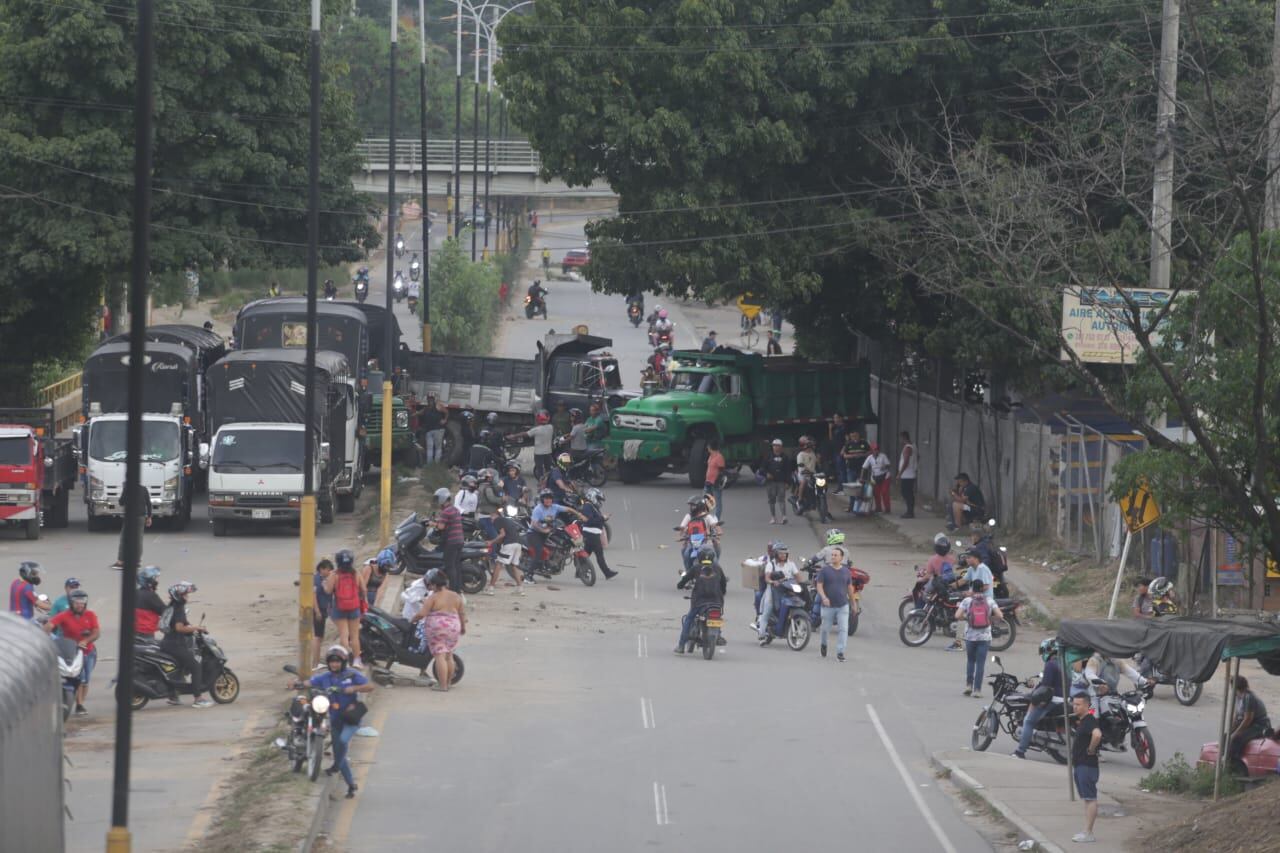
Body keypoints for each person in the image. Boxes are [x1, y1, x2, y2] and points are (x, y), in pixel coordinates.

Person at [300, 645, 373, 799]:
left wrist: (353, 689)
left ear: (344, 662)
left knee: (342, 741)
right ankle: (351, 785)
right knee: (340, 753)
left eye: (338, 661)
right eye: (332, 661)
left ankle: (334, 768)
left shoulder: (351, 675)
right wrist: (296, 683)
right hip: (335, 720)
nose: (334, 664)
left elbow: (369, 686)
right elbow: (310, 682)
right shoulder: (324, 677)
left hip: (350, 719)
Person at [44, 590, 100, 714]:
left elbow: (96, 632)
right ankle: (74, 703)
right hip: (71, 651)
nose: (80, 605)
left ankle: (80, 704)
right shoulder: (64, 615)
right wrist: (46, 636)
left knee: (85, 680)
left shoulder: (90, 615)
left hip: (87, 651)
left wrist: (86, 640)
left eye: (83, 602)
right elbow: (49, 625)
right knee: (73, 676)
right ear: (71, 603)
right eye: (77, 602)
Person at [160, 582, 215, 707]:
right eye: (185, 594)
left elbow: (183, 624)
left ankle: (174, 695)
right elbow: (179, 628)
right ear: (178, 596)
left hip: (167, 643)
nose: (187, 596)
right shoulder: (179, 608)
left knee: (180, 668)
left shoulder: (172, 606)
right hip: (175, 645)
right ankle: (198, 699)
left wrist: (195, 628)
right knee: (195, 666)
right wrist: (197, 628)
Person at [411, 570, 467, 691]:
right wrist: (463, 627)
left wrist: (413, 620)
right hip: (453, 627)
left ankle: (442, 686)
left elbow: (422, 613)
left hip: (437, 628)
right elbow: (462, 613)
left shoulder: (433, 597)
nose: (430, 587)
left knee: (439, 656)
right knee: (449, 655)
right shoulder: (456, 596)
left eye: (430, 585)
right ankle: (448, 683)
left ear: (435, 585)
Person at [1015, 639, 1065, 759]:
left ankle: (1020, 751)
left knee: (1028, 721)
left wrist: (1035, 699)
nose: (1042, 655)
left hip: (1053, 699)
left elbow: (1046, 686)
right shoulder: (1065, 664)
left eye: (1043, 651)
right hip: (1065, 699)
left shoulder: (1051, 664)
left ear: (1049, 650)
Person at [674, 545, 726, 654]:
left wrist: (680, 585)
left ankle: (681, 645)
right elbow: (724, 583)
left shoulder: (696, 568)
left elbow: (685, 579)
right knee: (718, 616)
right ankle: (719, 635)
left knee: (689, 619)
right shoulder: (718, 568)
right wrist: (722, 592)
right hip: (716, 600)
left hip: (699, 601)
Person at [957, 579, 1003, 697]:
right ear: (983, 588)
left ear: (972, 588)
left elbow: (957, 615)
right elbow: (1000, 615)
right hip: (985, 637)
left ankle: (968, 685)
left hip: (970, 637)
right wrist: (989, 620)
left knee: (971, 661)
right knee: (980, 663)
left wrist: (967, 618)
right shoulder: (989, 600)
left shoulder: (967, 601)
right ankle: (977, 690)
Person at [528, 489, 587, 577]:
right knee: (539, 552)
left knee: (566, 541)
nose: (548, 500)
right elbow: (534, 524)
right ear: (542, 499)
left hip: (549, 530)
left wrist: (579, 515)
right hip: (535, 533)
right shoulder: (538, 509)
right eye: (546, 498)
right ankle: (528, 575)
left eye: (550, 498)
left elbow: (568, 509)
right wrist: (543, 530)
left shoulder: (554, 507)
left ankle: (553, 564)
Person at [323, 550, 366, 668]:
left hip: (339, 607)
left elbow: (328, 591)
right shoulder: (356, 573)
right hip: (354, 607)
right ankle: (357, 661)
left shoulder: (334, 575)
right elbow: (363, 589)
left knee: (343, 634)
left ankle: (345, 661)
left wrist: (324, 585)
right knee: (355, 636)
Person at [1069, 691, 1103, 844]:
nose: (1075, 707)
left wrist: (1090, 749)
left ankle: (1089, 833)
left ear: (1087, 705)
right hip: (1081, 765)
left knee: (1090, 799)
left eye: (1078, 704)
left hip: (1087, 765)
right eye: (1074, 704)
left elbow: (1097, 735)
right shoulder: (1082, 721)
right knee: (1087, 799)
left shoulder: (1089, 720)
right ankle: (1086, 831)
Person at [815, 546, 855, 661]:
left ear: (841, 558)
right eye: (832, 555)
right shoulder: (825, 570)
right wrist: (823, 597)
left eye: (835, 555)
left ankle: (840, 652)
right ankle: (823, 644)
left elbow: (849, 588)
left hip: (843, 605)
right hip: (828, 606)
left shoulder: (846, 571)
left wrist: (853, 603)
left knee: (843, 629)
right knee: (824, 629)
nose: (833, 557)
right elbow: (819, 585)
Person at [754, 542, 798, 643]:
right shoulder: (771, 564)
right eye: (780, 553)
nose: (783, 555)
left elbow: (798, 576)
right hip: (773, 590)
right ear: (776, 554)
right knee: (767, 609)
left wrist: (802, 582)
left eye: (785, 553)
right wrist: (772, 582)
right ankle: (762, 634)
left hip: (787, 589)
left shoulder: (791, 564)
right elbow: (767, 578)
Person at [1228, 675, 1271, 774]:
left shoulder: (1249, 697)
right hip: (1249, 724)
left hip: (1259, 726)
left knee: (1236, 739)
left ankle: (1235, 767)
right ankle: (1227, 760)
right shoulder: (1238, 698)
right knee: (1227, 737)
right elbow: (1237, 717)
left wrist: (1235, 733)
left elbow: (1247, 719)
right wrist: (1230, 730)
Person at [482, 505, 526, 594]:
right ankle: (520, 588)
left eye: (491, 516)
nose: (491, 519)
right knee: (513, 566)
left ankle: (491, 588)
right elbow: (504, 536)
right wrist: (496, 542)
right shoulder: (507, 520)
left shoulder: (497, 520)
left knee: (498, 565)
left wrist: (491, 542)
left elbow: (502, 534)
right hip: (518, 544)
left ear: (494, 514)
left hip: (510, 544)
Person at [112, 482, 152, 569]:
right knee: (138, 539)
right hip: (141, 516)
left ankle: (121, 561)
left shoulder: (127, 489)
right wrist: (149, 517)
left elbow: (121, 502)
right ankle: (137, 562)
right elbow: (148, 503)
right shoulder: (144, 489)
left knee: (124, 538)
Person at [435, 490, 465, 593]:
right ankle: (457, 589)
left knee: (450, 566)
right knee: (457, 565)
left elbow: (441, 527)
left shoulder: (446, 511)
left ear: (442, 499)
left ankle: (452, 590)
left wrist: (433, 524)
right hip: (460, 540)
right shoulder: (455, 509)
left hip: (452, 541)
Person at [511, 410, 554, 478]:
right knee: (548, 469)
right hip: (548, 453)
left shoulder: (536, 430)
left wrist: (513, 436)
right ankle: (548, 482)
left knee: (540, 470)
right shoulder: (551, 427)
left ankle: (541, 482)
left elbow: (524, 434)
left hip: (539, 453)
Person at [761, 439, 792, 524]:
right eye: (774, 445)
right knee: (771, 500)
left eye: (778, 445)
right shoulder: (768, 457)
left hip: (781, 482)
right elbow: (762, 469)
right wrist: (766, 474)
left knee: (781, 499)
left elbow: (788, 471)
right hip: (770, 482)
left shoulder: (785, 457)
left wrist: (788, 482)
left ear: (781, 447)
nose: (776, 447)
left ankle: (784, 517)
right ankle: (773, 517)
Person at [312, 559, 334, 668]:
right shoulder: (316, 579)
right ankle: (315, 663)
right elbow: (313, 596)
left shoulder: (324, 579)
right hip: (318, 610)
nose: (330, 572)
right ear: (321, 569)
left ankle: (316, 662)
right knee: (318, 636)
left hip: (323, 610)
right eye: (328, 570)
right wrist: (317, 611)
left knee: (319, 637)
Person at [135, 566, 166, 640]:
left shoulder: (135, 593)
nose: (156, 581)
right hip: (146, 632)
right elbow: (164, 611)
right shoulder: (151, 596)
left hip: (134, 629)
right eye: (155, 579)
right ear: (150, 581)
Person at [862, 443, 893, 513]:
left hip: (885, 477)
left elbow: (888, 465)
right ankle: (878, 508)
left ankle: (887, 509)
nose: (876, 451)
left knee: (884, 492)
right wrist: (861, 478)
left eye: (877, 449)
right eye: (875, 450)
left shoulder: (883, 456)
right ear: (872, 451)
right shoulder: (869, 457)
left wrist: (884, 466)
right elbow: (864, 468)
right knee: (876, 493)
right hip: (875, 477)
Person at [420, 394, 447, 464]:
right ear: (427, 400)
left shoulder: (438, 406)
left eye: (431, 399)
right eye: (429, 399)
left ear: (433, 400)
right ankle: (430, 465)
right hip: (429, 431)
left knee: (437, 448)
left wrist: (445, 420)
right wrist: (411, 415)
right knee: (430, 448)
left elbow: (446, 412)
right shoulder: (426, 408)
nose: (430, 400)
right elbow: (419, 413)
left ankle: (435, 464)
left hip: (438, 430)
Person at [703, 440, 726, 521]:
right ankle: (706, 518)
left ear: (711, 447)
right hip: (708, 482)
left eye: (708, 446)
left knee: (717, 503)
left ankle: (716, 519)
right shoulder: (710, 456)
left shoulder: (719, 457)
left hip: (715, 483)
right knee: (706, 501)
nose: (707, 448)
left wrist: (718, 481)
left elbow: (722, 471)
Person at [898, 431, 917, 518]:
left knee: (906, 493)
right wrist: (914, 465)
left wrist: (899, 473)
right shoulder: (913, 446)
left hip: (907, 475)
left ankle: (910, 512)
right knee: (909, 493)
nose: (900, 440)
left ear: (903, 437)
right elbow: (918, 456)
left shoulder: (907, 448)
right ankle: (910, 511)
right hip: (911, 473)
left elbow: (906, 462)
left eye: (900, 438)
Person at [826, 414, 848, 493]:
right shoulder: (835, 428)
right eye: (834, 418)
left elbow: (847, 440)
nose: (835, 419)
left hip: (841, 451)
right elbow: (831, 438)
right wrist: (830, 429)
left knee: (842, 470)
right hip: (835, 451)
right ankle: (840, 487)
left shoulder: (844, 427)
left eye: (836, 417)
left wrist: (843, 449)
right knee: (838, 470)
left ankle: (844, 487)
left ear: (841, 418)